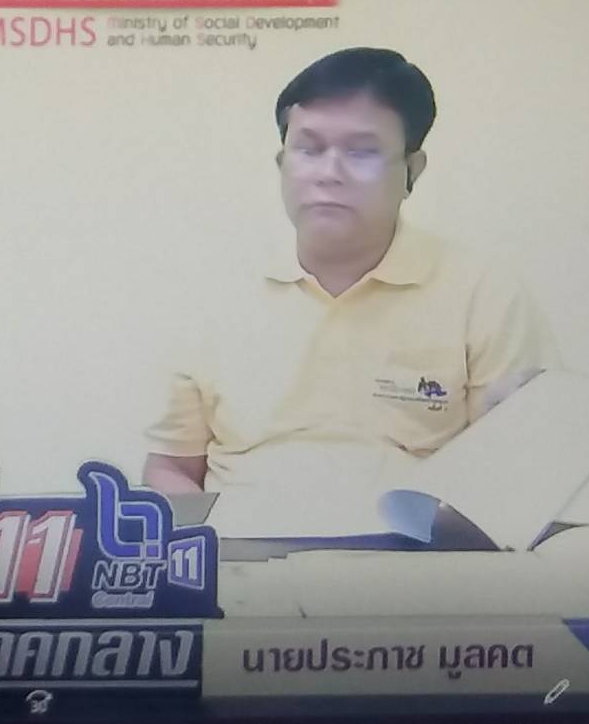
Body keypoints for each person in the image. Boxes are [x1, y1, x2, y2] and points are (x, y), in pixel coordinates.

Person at [143, 47, 559, 494]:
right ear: (282, 164)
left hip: (409, 537)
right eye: (308, 149)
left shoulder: (483, 293)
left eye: (362, 152)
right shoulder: (216, 296)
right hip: (241, 534)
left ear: (412, 171)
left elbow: (516, 470)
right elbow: (171, 468)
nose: (329, 173)